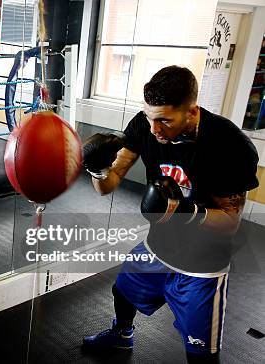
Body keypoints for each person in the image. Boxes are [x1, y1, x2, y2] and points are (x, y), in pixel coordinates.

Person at [81, 66, 259, 363]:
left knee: (201, 355)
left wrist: (184, 211)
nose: (155, 129)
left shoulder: (228, 144)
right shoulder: (145, 124)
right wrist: (98, 169)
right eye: (150, 118)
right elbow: (107, 186)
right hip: (158, 249)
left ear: (191, 112)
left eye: (164, 120)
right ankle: (121, 337)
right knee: (122, 291)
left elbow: (230, 222)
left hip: (201, 267)